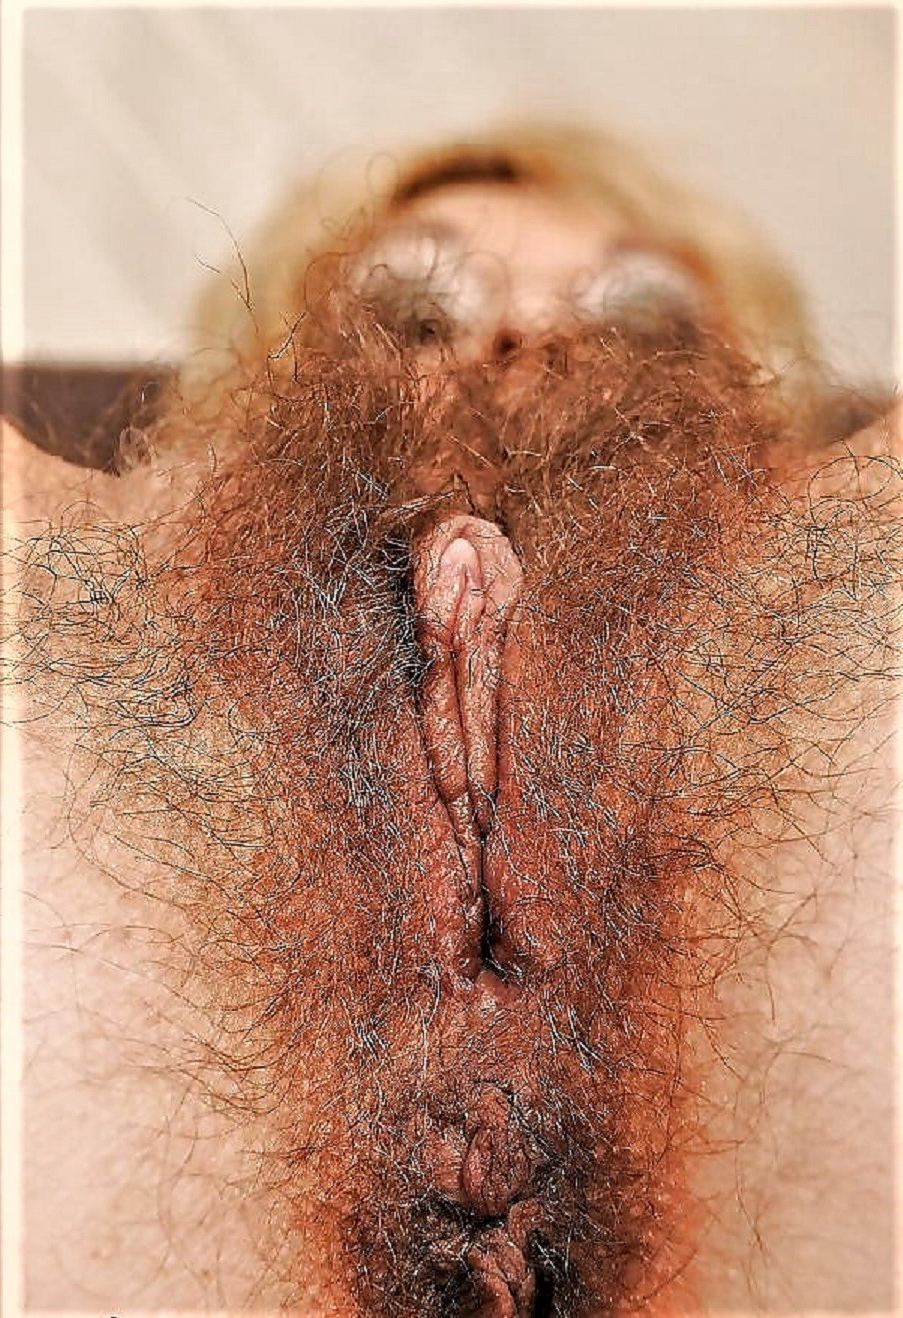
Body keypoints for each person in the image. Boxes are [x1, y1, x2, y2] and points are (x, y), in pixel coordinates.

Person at [3, 124, 899, 1316]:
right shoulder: (63, 560)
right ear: (248, 389)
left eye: (643, 326)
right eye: (413, 315)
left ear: (772, 413)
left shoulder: (859, 552)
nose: (521, 338)